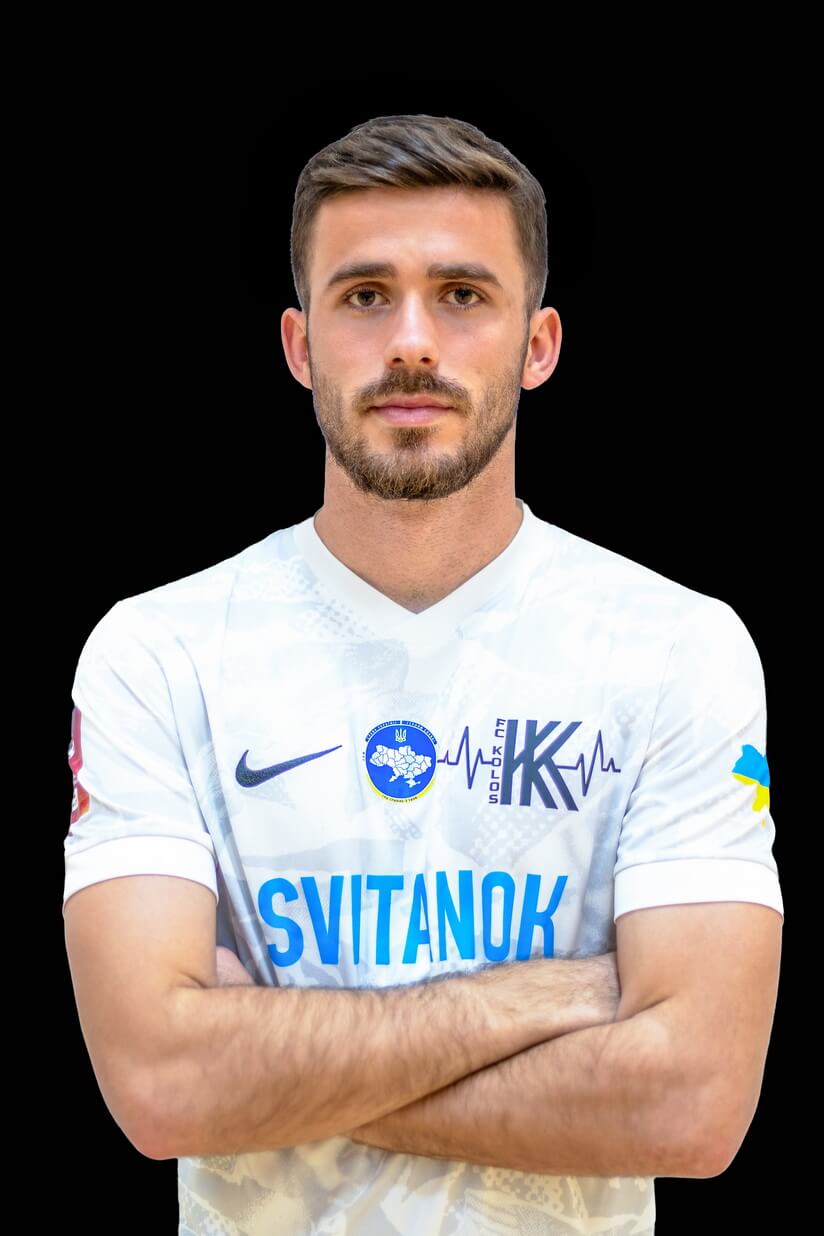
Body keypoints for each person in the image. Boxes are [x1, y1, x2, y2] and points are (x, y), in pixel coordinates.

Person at [62, 114, 784, 1236]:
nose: (411, 341)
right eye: (364, 296)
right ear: (299, 345)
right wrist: (552, 994)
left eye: (461, 295)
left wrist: (264, 1067)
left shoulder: (673, 648)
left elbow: (691, 1106)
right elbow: (161, 1088)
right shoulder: (160, 653)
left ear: (537, 345)